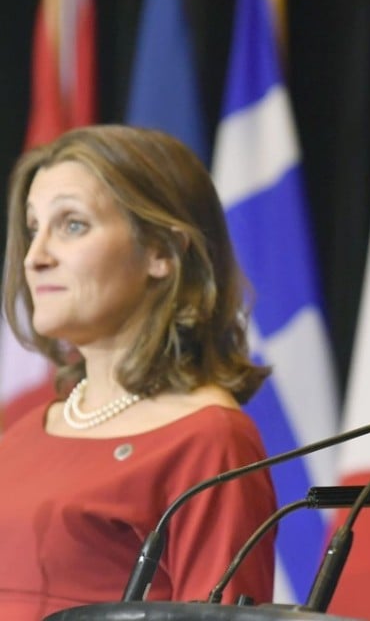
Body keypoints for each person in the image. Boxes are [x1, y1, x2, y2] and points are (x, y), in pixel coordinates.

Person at [0, 125, 277, 619]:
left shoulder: (209, 441)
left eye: (72, 225)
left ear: (162, 253)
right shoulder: (23, 434)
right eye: (32, 226)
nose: (34, 257)